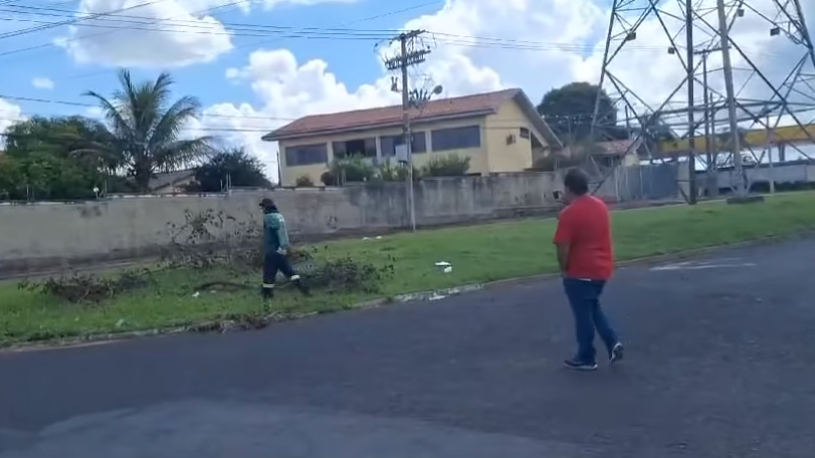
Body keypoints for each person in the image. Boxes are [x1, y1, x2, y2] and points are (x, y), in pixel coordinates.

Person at [553, 168, 624, 371]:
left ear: (568, 188)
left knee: (582, 316)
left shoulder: (569, 214)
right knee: (593, 308)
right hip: (601, 269)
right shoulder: (600, 206)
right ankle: (612, 342)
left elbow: (562, 247)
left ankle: (587, 357)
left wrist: (564, 269)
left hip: (580, 271)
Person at [259, 198, 309, 300]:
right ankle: (303, 289)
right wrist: (284, 247)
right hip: (281, 250)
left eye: (262, 208)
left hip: (272, 250)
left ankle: (267, 296)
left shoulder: (268, 217)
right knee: (289, 272)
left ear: (265, 207)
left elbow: (271, 234)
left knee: (268, 274)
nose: (261, 210)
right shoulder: (279, 216)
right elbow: (282, 233)